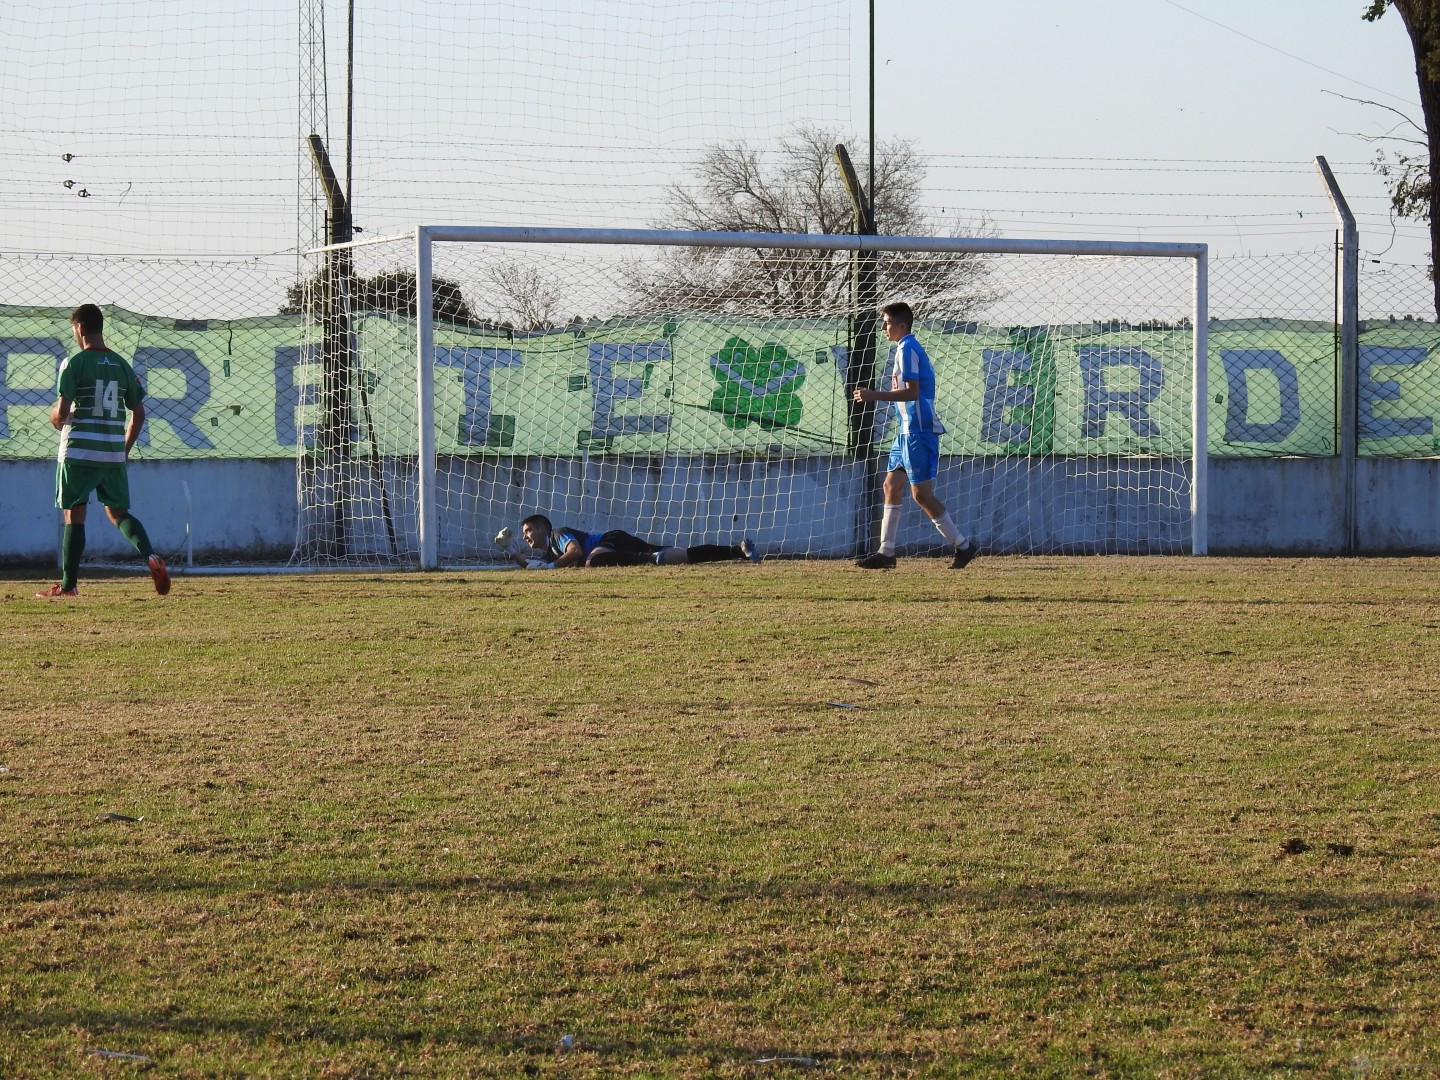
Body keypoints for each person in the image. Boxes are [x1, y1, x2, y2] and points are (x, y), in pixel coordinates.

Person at [35, 304, 170, 599]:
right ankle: (150, 555)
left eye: (74, 330)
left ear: (80, 328)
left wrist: (55, 418)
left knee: (74, 515)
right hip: (111, 454)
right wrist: (124, 450)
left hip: (79, 452)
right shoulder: (122, 365)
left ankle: (68, 586)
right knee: (119, 513)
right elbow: (139, 414)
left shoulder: (74, 363)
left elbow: (61, 414)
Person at [852, 301, 976, 570]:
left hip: (919, 431)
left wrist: (874, 395)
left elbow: (912, 392)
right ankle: (886, 552)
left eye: (886, 323)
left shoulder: (908, 349)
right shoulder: (904, 348)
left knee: (921, 495)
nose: (883, 327)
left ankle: (963, 546)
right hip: (906, 432)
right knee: (890, 486)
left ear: (901, 325)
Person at [507, 514, 762, 568]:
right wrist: (507, 548)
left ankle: (648, 558)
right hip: (619, 548)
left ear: (543, 528)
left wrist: (552, 567)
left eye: (528, 530)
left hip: (612, 540)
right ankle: (737, 551)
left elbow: (575, 552)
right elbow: (532, 568)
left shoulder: (557, 535)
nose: (525, 536)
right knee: (679, 556)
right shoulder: (549, 554)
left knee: (592, 561)